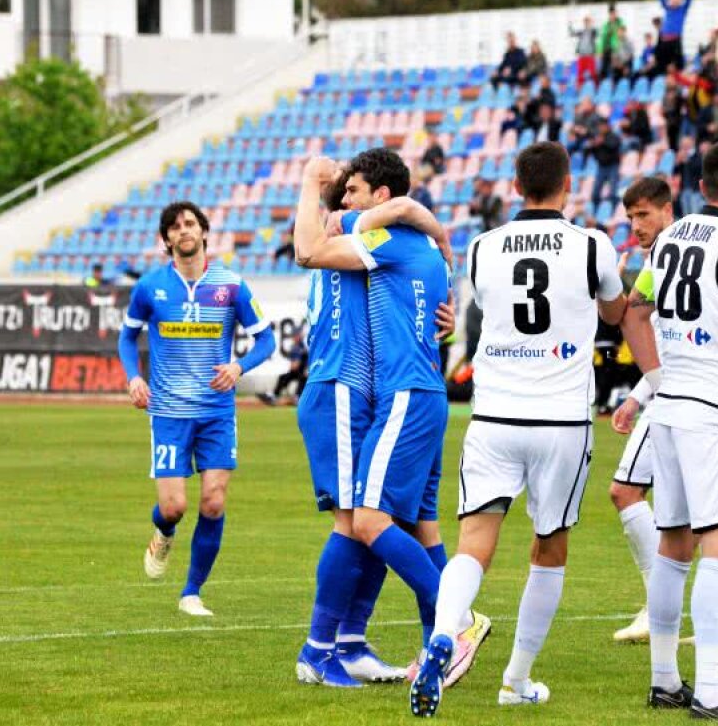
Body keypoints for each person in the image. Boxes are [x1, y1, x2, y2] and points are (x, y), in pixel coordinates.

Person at [410, 141, 627, 717]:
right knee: (549, 546)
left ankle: (444, 635)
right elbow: (613, 312)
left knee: (473, 545)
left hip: (494, 416)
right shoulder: (593, 246)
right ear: (568, 185)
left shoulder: (482, 248)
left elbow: (489, 307)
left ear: (515, 184)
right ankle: (516, 679)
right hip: (560, 419)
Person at [295, 148, 490, 698]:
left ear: (378, 197)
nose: (344, 200)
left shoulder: (377, 238)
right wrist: (439, 236)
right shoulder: (377, 234)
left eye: (352, 190)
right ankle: (337, 646)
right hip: (346, 385)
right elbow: (317, 244)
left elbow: (389, 217)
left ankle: (360, 642)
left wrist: (419, 223)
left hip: (386, 393)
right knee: (370, 520)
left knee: (372, 521)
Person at [618, 138, 718, 721]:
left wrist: (657, 380)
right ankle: (710, 693)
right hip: (717, 408)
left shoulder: (671, 239)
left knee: (673, 545)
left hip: (671, 406)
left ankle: (665, 681)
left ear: (703, 186)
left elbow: (634, 313)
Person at [118, 201, 276, 617]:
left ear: (204, 232)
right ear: (167, 239)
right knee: (174, 507)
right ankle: (163, 531)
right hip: (168, 411)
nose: (182, 230)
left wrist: (239, 366)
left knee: (214, 502)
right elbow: (126, 338)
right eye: (174, 226)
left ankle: (191, 592)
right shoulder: (150, 288)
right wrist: (134, 377)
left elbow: (266, 341)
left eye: (190, 223)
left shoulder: (232, 286)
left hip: (216, 412)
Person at [609, 178, 718, 646]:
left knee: (640, 496)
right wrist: (639, 393)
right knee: (655, 501)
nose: (637, 225)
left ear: (668, 210)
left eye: (644, 215)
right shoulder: (668, 255)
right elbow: (661, 332)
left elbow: (640, 318)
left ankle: (670, 608)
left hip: (689, 398)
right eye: (630, 218)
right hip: (675, 395)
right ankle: (713, 617)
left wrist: (650, 390)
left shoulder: (673, 250)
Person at [651, 0, 698, 74]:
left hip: (675, 41)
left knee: (678, 66)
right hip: (663, 41)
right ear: (670, 0)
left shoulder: (682, 9)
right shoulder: (667, 7)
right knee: (660, 66)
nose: (675, 0)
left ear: (681, 0)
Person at [259, 329, 308, 406]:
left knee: (302, 378)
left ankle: (298, 397)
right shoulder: (300, 346)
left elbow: (295, 365)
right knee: (283, 377)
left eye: (296, 335)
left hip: (303, 372)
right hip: (300, 371)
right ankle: (274, 395)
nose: (294, 337)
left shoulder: (298, 348)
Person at [589, 119, 622, 206]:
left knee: (613, 193)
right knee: (595, 193)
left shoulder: (614, 136)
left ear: (607, 126)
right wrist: (593, 146)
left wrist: (602, 142)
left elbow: (613, 145)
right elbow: (593, 152)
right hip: (601, 166)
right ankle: (596, 210)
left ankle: (613, 211)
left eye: (603, 126)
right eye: (600, 126)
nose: (601, 128)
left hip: (613, 166)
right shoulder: (597, 137)